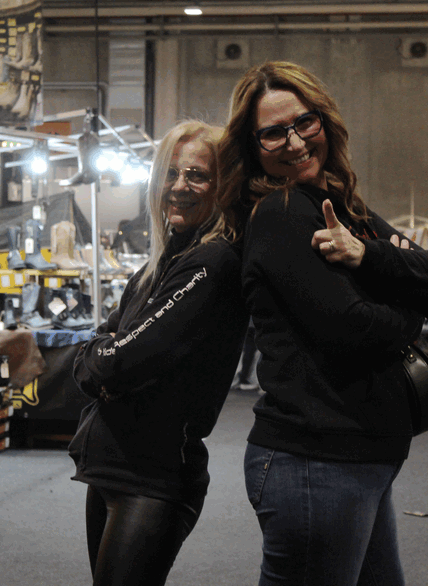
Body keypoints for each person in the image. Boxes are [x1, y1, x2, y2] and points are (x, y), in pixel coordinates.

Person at [215, 61, 428, 586]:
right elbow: (354, 330)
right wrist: (410, 305)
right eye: (274, 132)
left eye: (305, 122)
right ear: (253, 146)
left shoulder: (342, 207)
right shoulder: (282, 214)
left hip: (356, 460)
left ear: (324, 120)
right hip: (315, 463)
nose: (296, 142)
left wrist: (367, 255)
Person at [68, 120, 248, 586]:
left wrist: (102, 364)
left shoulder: (211, 262)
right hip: (110, 468)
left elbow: (116, 361)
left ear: (222, 185)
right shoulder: (161, 264)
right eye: (170, 172)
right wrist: (101, 361)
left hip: (153, 479)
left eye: (196, 175)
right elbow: (102, 345)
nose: (179, 186)